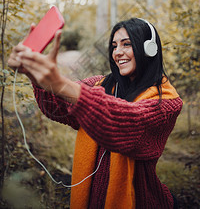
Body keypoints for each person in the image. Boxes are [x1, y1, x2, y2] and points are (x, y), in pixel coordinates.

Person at [8, 17, 182, 209]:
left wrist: (60, 83)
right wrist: (35, 73)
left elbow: (125, 123)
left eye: (127, 44)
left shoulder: (166, 101)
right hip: (91, 199)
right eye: (114, 46)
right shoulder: (101, 84)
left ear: (149, 48)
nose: (118, 52)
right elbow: (58, 108)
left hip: (139, 201)